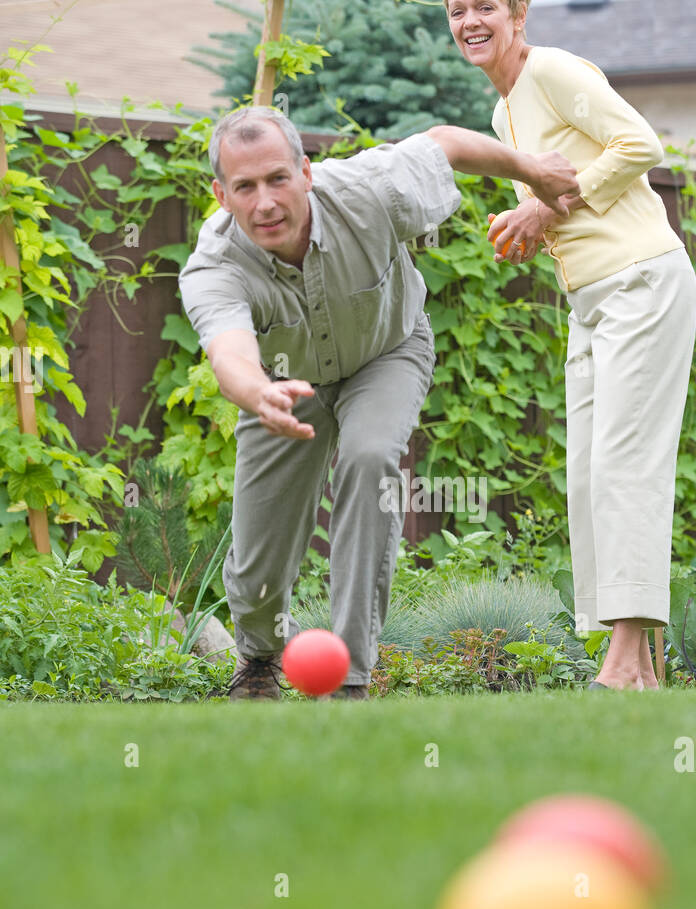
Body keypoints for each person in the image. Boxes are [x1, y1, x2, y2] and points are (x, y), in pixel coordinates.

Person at [178, 105, 580, 700]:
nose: (265, 201)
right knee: (259, 551)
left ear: (305, 172)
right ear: (222, 194)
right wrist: (259, 392)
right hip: (284, 384)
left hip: (386, 351)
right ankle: (260, 658)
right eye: (245, 186)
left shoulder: (367, 190)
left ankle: (350, 677)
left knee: (369, 461)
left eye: (277, 178)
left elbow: (444, 144)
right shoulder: (214, 264)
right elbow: (230, 352)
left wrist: (532, 169)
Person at [441, 0, 696, 691]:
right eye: (458, 10)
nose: (470, 21)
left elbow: (639, 146)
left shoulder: (551, 71)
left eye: (485, 7)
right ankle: (641, 668)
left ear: (518, 14)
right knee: (590, 476)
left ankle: (622, 664)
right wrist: (536, 222)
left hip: (641, 280)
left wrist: (541, 205)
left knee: (625, 467)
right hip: (592, 300)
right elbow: (565, 192)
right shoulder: (503, 107)